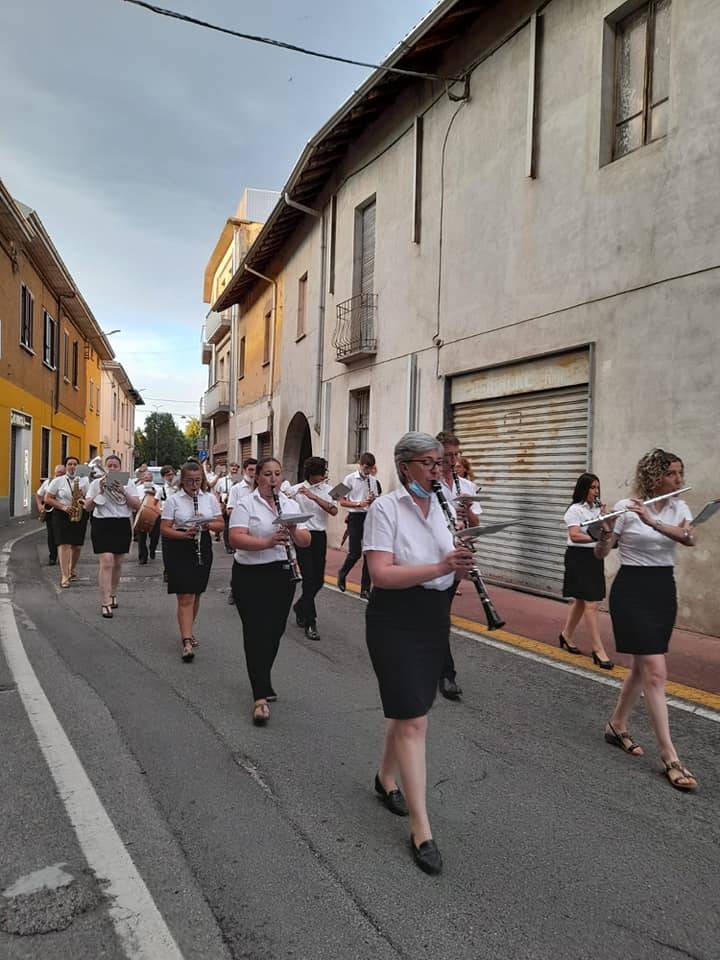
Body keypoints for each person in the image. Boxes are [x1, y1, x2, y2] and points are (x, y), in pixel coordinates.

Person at [364, 432, 474, 876]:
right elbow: (381, 575)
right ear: (405, 465)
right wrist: (441, 567)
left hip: (433, 616)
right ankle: (421, 828)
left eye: (441, 464)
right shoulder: (384, 508)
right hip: (394, 617)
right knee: (415, 719)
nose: (438, 471)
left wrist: (461, 558)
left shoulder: (446, 507)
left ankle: (384, 779)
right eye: (429, 463)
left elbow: (448, 561)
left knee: (408, 709)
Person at [594, 448, 697, 791]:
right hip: (632, 590)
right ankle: (670, 756)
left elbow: (689, 539)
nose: (678, 480)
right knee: (655, 669)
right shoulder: (626, 507)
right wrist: (606, 529)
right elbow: (601, 552)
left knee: (642, 667)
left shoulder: (679, 507)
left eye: (680, 473)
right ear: (655, 477)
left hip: (662, 590)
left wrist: (652, 521)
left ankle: (616, 724)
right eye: (672, 474)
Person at [228, 457, 311, 725]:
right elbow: (235, 537)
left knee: (274, 631)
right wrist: (266, 541)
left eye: (277, 474)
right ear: (257, 477)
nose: (273, 479)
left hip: (281, 573)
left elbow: (306, 541)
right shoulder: (245, 503)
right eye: (267, 474)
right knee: (255, 632)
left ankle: (263, 676)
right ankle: (260, 696)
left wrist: (294, 529)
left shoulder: (289, 504)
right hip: (249, 575)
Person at [160, 461, 224, 662]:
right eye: (189, 481)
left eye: (198, 481)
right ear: (182, 481)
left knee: (196, 593)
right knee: (185, 596)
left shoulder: (209, 499)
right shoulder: (174, 500)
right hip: (179, 545)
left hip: (201, 544)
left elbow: (220, 524)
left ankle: (187, 628)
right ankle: (186, 640)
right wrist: (183, 534)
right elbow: (164, 528)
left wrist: (206, 525)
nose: (194, 485)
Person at [435, 431, 481, 700]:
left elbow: (476, 526)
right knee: (440, 615)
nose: (452, 460)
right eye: (447, 456)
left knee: (439, 613)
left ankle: (433, 660)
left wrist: (468, 512)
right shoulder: (430, 484)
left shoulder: (467, 486)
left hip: (458, 556)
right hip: (434, 556)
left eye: (456, 455)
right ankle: (447, 674)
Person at [559, 473, 613, 668]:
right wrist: (596, 539)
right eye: (592, 488)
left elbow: (605, 532)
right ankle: (598, 649)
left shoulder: (597, 509)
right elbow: (574, 536)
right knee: (591, 603)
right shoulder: (574, 510)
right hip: (577, 558)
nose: (596, 492)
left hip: (594, 558)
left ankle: (566, 635)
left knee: (581, 602)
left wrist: (606, 519)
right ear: (583, 489)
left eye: (597, 487)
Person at [84, 455, 142, 618]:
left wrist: (123, 492)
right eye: (109, 465)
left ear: (120, 468)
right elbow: (87, 507)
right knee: (107, 561)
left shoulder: (128, 482)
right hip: (102, 523)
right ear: (105, 467)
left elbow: (137, 506)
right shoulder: (96, 483)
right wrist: (100, 492)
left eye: (115, 466)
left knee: (117, 562)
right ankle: (105, 602)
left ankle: (113, 593)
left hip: (122, 523)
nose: (112, 468)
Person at [288, 456, 338, 641]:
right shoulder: (295, 489)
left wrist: (314, 497)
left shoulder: (328, 490)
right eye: (321, 473)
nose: (324, 476)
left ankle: (300, 606)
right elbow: (283, 505)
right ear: (312, 474)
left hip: (319, 536)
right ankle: (311, 621)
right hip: (301, 535)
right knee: (309, 578)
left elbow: (334, 511)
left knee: (318, 581)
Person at [43, 456, 90, 588]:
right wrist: (63, 507)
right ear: (65, 466)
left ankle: (71, 570)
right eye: (69, 464)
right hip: (62, 514)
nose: (72, 467)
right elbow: (47, 498)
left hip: (79, 513)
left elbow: (89, 498)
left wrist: (83, 496)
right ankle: (64, 575)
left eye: (75, 464)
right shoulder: (58, 481)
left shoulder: (84, 480)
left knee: (77, 546)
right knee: (64, 544)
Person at [337, 452, 379, 599]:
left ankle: (365, 589)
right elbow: (339, 499)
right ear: (360, 465)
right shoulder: (350, 479)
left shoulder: (373, 481)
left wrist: (372, 500)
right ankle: (342, 573)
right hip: (355, 516)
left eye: (370, 468)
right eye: (366, 468)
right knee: (355, 552)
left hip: (369, 516)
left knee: (369, 553)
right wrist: (358, 503)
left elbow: (375, 499)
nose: (368, 471)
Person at [225, 458, 257, 603]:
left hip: (258, 530)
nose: (253, 473)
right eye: (250, 469)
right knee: (240, 559)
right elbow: (230, 509)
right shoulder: (236, 489)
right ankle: (234, 590)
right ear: (244, 471)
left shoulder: (261, 487)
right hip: (243, 530)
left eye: (256, 470)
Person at [36, 464, 65, 565]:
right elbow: (39, 494)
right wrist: (39, 505)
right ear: (54, 473)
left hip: (64, 511)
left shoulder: (67, 482)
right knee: (52, 534)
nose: (59, 476)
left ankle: (63, 557)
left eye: (61, 474)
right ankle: (52, 556)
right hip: (51, 511)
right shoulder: (48, 481)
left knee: (63, 534)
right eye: (58, 473)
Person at [214, 462, 241, 553]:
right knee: (227, 526)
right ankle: (228, 546)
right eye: (233, 467)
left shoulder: (241, 480)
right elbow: (217, 492)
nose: (234, 469)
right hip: (225, 504)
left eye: (236, 468)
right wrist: (219, 504)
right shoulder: (222, 480)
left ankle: (236, 544)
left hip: (238, 504)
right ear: (229, 468)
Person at [136, 467, 161, 564]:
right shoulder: (137, 489)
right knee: (141, 537)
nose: (147, 480)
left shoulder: (158, 488)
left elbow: (160, 501)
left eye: (149, 478)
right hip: (141, 513)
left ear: (152, 479)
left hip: (155, 514)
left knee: (155, 536)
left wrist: (154, 494)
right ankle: (143, 557)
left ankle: (152, 548)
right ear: (142, 479)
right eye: (146, 478)